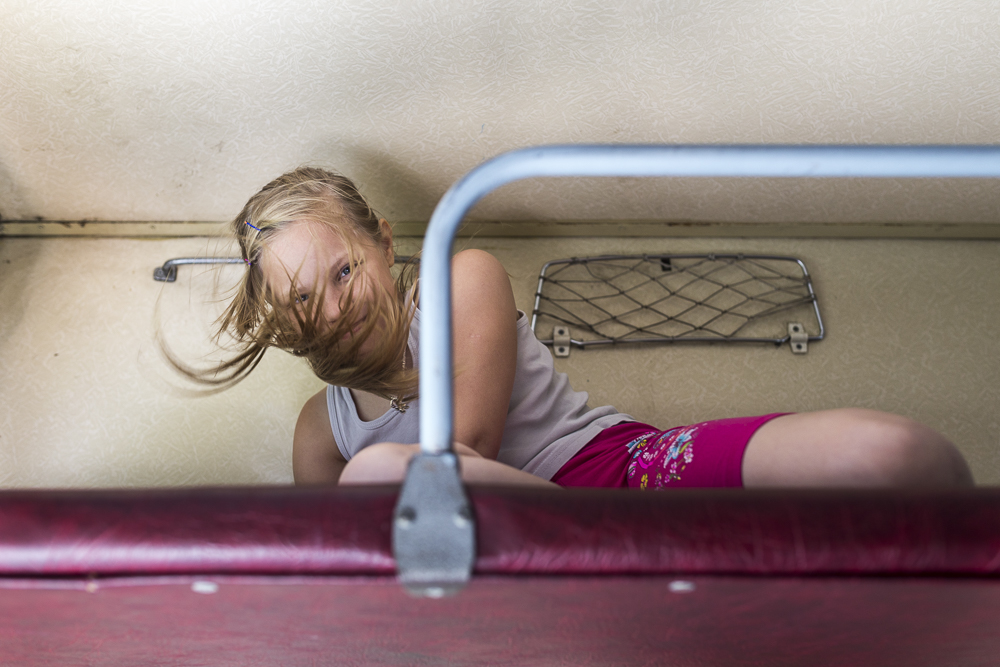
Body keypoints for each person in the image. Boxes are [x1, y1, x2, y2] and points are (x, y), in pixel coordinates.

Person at [192, 166, 973, 491]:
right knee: (375, 478)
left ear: (386, 245)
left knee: (894, 452)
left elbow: (467, 445)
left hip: (619, 474)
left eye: (342, 272)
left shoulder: (461, 281)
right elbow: (349, 578)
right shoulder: (321, 435)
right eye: (300, 301)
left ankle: (612, 541)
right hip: (488, 567)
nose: (332, 309)